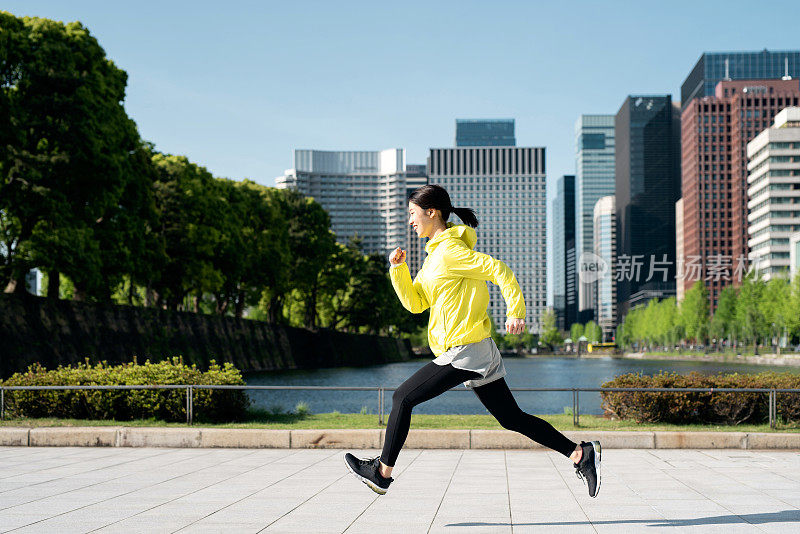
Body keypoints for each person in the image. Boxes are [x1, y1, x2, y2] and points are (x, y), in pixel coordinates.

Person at [344, 184, 600, 498]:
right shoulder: (433, 257)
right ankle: (580, 454)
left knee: (402, 398)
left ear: (431, 212)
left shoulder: (452, 251)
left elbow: (499, 269)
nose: (410, 221)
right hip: (476, 350)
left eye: (412, 214)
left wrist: (515, 310)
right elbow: (415, 303)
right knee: (511, 418)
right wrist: (398, 270)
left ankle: (381, 473)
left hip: (465, 350)